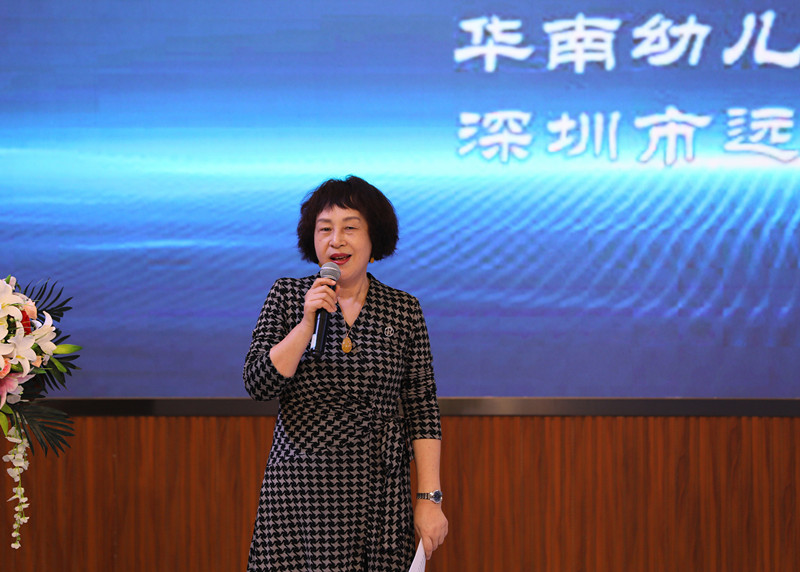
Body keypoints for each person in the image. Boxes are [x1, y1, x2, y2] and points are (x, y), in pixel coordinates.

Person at [244, 175, 448, 571]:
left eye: (350, 228)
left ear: (374, 239)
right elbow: (258, 383)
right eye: (325, 229)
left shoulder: (403, 310)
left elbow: (422, 408)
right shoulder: (288, 296)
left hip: (380, 490)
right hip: (301, 491)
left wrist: (430, 499)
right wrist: (305, 324)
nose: (336, 240)